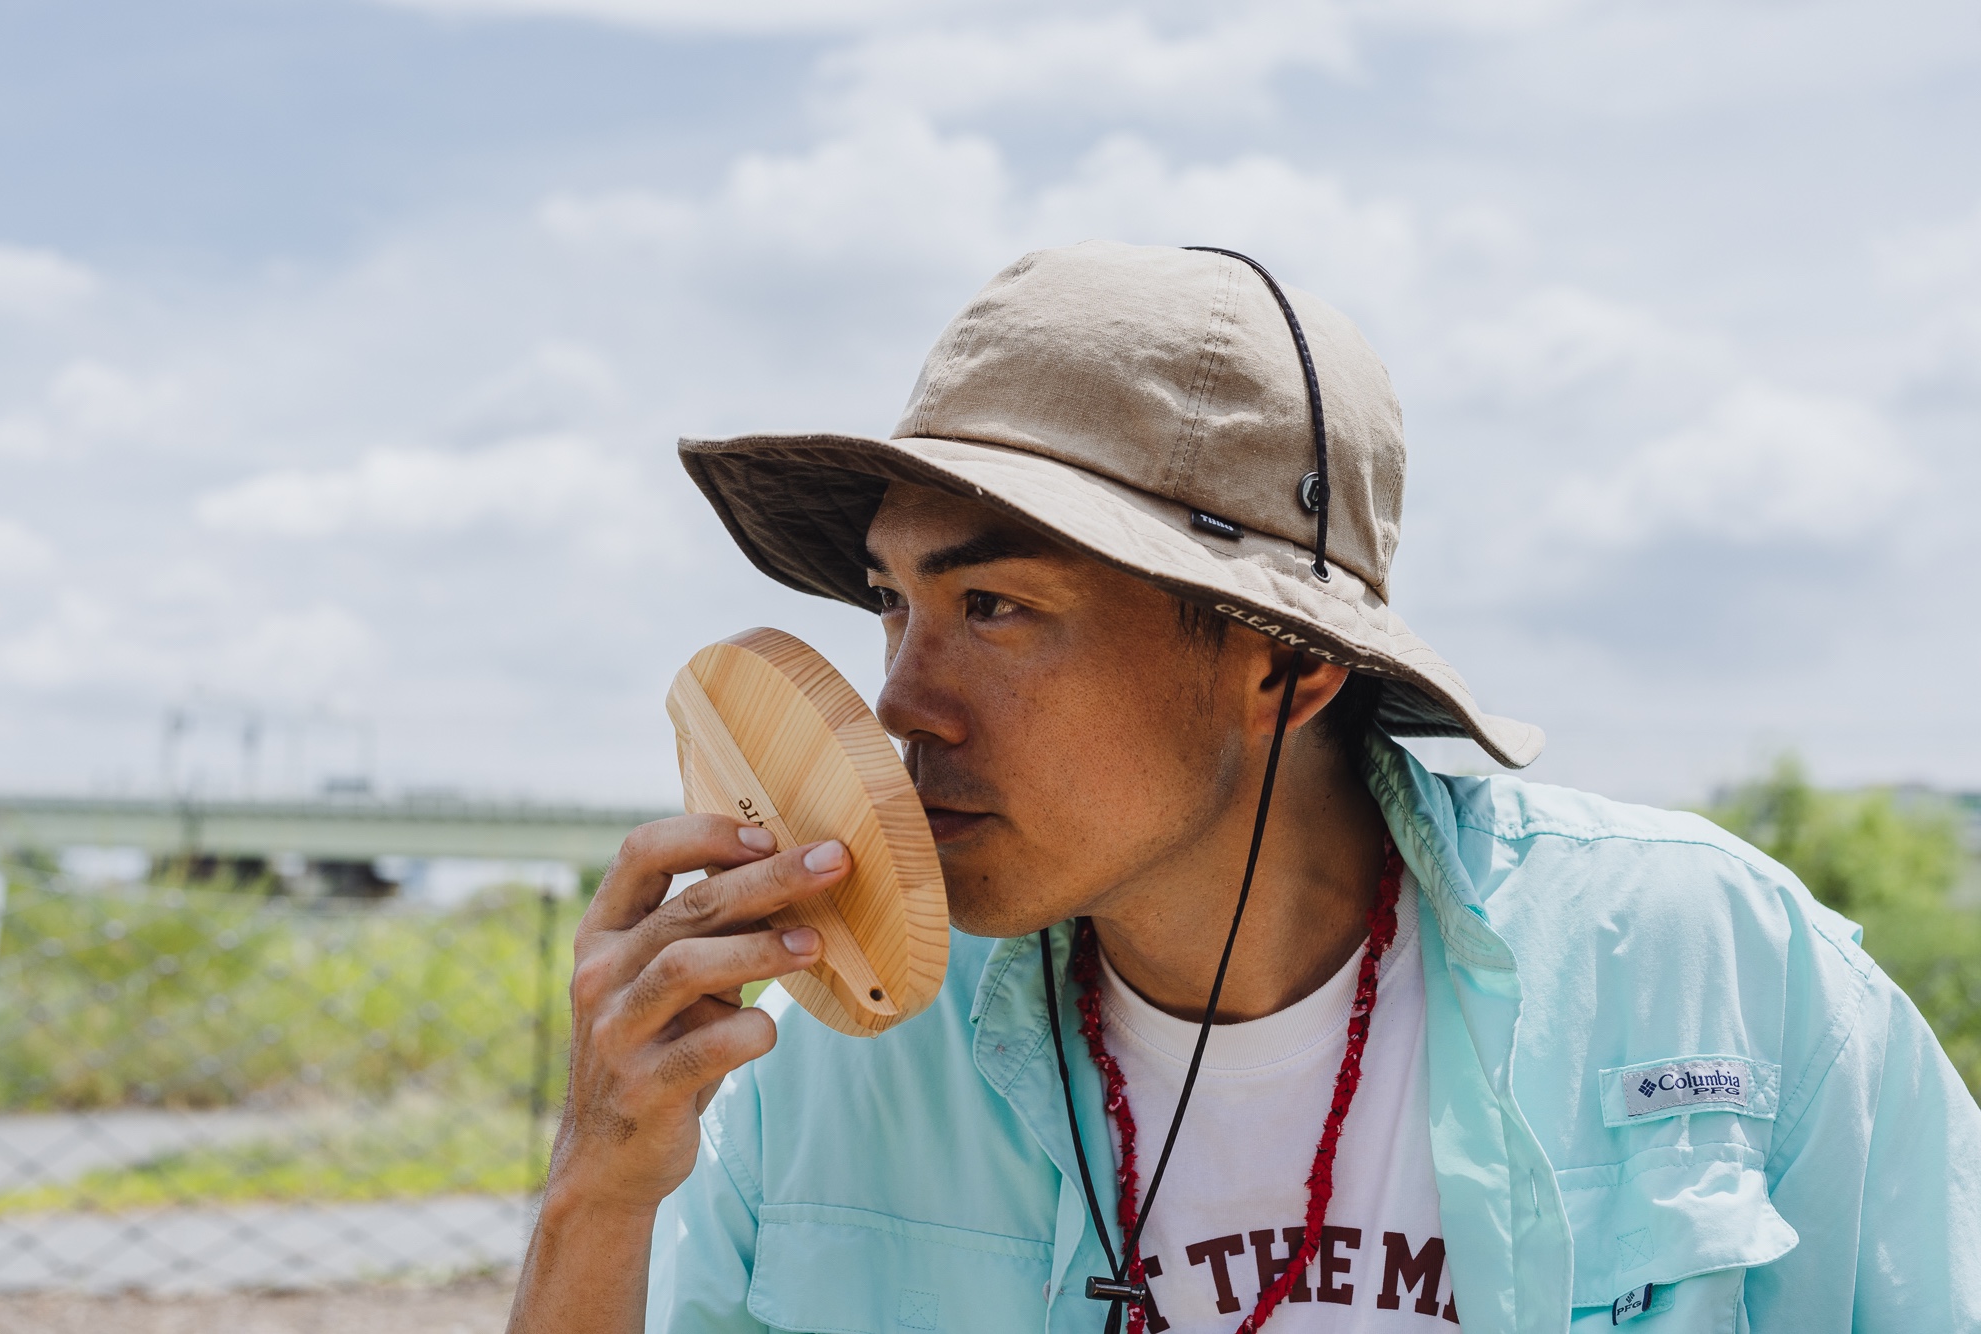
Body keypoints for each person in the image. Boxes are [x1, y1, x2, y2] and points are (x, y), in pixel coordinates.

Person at [506, 241, 1981, 1333]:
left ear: (1285, 663)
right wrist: (602, 1188)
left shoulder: (1716, 975)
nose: (899, 702)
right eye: (892, 602)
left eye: (999, 608)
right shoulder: (835, 1055)